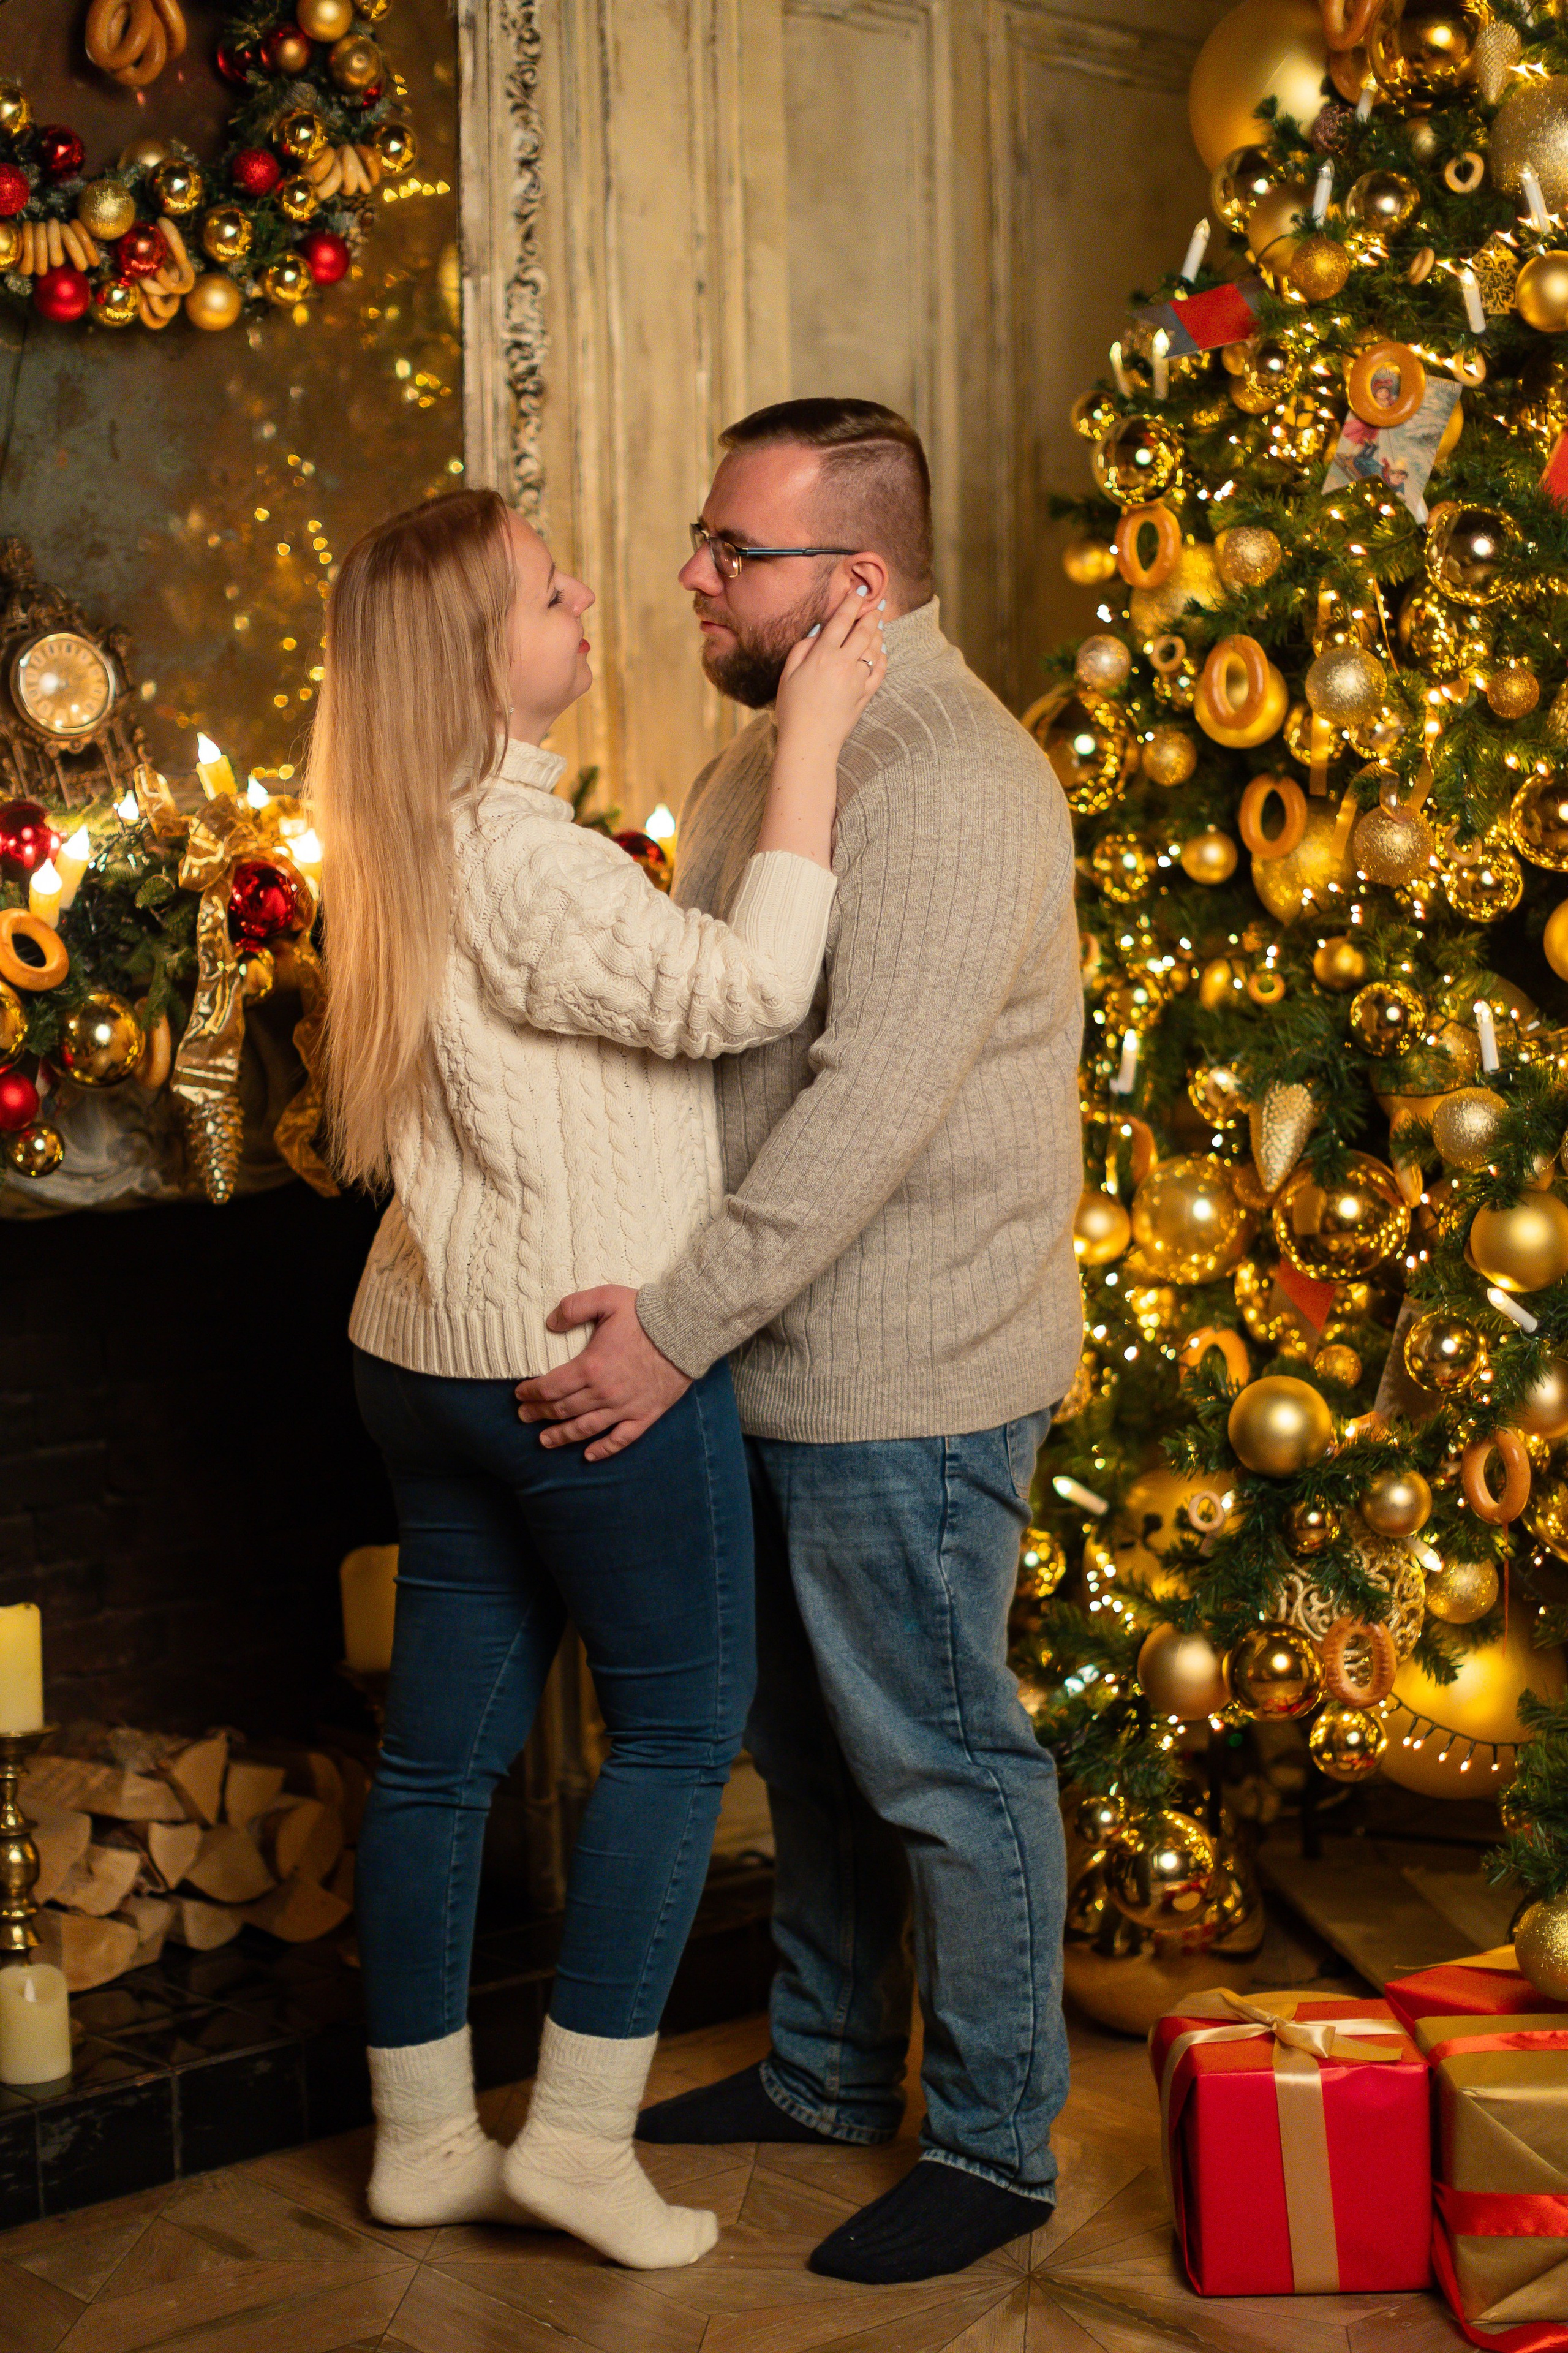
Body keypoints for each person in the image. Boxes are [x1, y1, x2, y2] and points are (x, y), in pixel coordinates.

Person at [515, 398, 1084, 2285]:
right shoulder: (766, 758)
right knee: (815, 1749)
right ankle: (832, 2073)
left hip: (911, 1368)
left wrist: (667, 1331)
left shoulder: (950, 771)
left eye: (729, 549)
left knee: (939, 1754)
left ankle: (998, 2144)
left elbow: (863, 1109)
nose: (688, 572)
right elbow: (715, 1049)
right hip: (772, 1350)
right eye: (701, 537)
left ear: (853, 581)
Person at [308, 484, 885, 2270]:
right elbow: (755, 988)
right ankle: (569, 2138)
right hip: (577, 1368)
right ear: (488, 662)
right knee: (677, 1728)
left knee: (438, 1763)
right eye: (556, 593)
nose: (591, 607)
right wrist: (816, 733)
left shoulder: (399, 841)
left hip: (424, 1358)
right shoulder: (527, 857)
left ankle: (419, 2136)